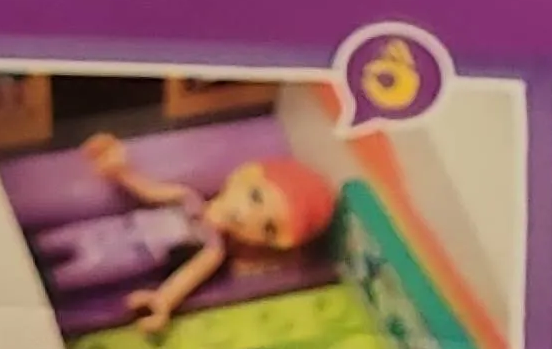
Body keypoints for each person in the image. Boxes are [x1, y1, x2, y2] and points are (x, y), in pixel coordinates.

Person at [34, 133, 338, 337]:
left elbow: (186, 278)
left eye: (269, 228)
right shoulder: (186, 197)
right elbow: (148, 190)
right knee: (43, 244)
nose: (249, 216)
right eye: (255, 197)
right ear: (242, 177)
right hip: (112, 228)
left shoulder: (213, 249)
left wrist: (161, 301)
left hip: (129, 258)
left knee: (59, 280)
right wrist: (120, 170)